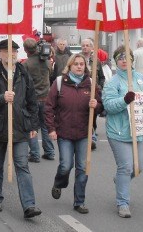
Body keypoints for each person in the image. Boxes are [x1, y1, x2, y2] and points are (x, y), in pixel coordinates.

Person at [0, 39, 42, 219]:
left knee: (22, 165)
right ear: (0, 54)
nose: (11, 54)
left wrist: (32, 125)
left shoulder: (24, 74)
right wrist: (2, 97)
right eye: (7, 52)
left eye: (14, 51)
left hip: (20, 128)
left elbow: (32, 101)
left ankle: (29, 205)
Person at [45, 53, 103, 214]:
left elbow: (100, 107)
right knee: (65, 165)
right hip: (64, 132)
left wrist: (96, 104)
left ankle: (79, 201)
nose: (79, 66)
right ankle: (59, 183)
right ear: (69, 66)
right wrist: (51, 129)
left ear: (85, 67)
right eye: (76, 64)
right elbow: (49, 107)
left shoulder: (91, 84)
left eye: (82, 64)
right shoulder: (59, 83)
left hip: (84, 133)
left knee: (83, 168)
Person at [103, 46, 143, 218]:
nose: (124, 60)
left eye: (127, 57)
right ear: (116, 61)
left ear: (133, 60)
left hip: (137, 131)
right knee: (126, 167)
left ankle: (121, 180)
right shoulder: (112, 82)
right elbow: (109, 106)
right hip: (118, 132)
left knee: (138, 167)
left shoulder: (141, 79)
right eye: (120, 58)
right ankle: (123, 203)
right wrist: (124, 100)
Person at [23, 38, 55, 162]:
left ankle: (35, 154)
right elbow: (51, 73)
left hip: (33, 99)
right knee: (46, 125)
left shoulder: (26, 64)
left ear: (26, 50)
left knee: (32, 127)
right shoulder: (47, 62)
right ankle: (50, 152)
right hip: (46, 98)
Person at [80, 38, 106, 150]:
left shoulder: (96, 61)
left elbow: (102, 77)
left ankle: (92, 136)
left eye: (87, 45)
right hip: (81, 92)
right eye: (83, 45)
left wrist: (99, 87)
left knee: (93, 115)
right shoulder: (78, 59)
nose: (85, 47)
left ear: (91, 48)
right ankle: (86, 138)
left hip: (93, 92)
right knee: (82, 115)